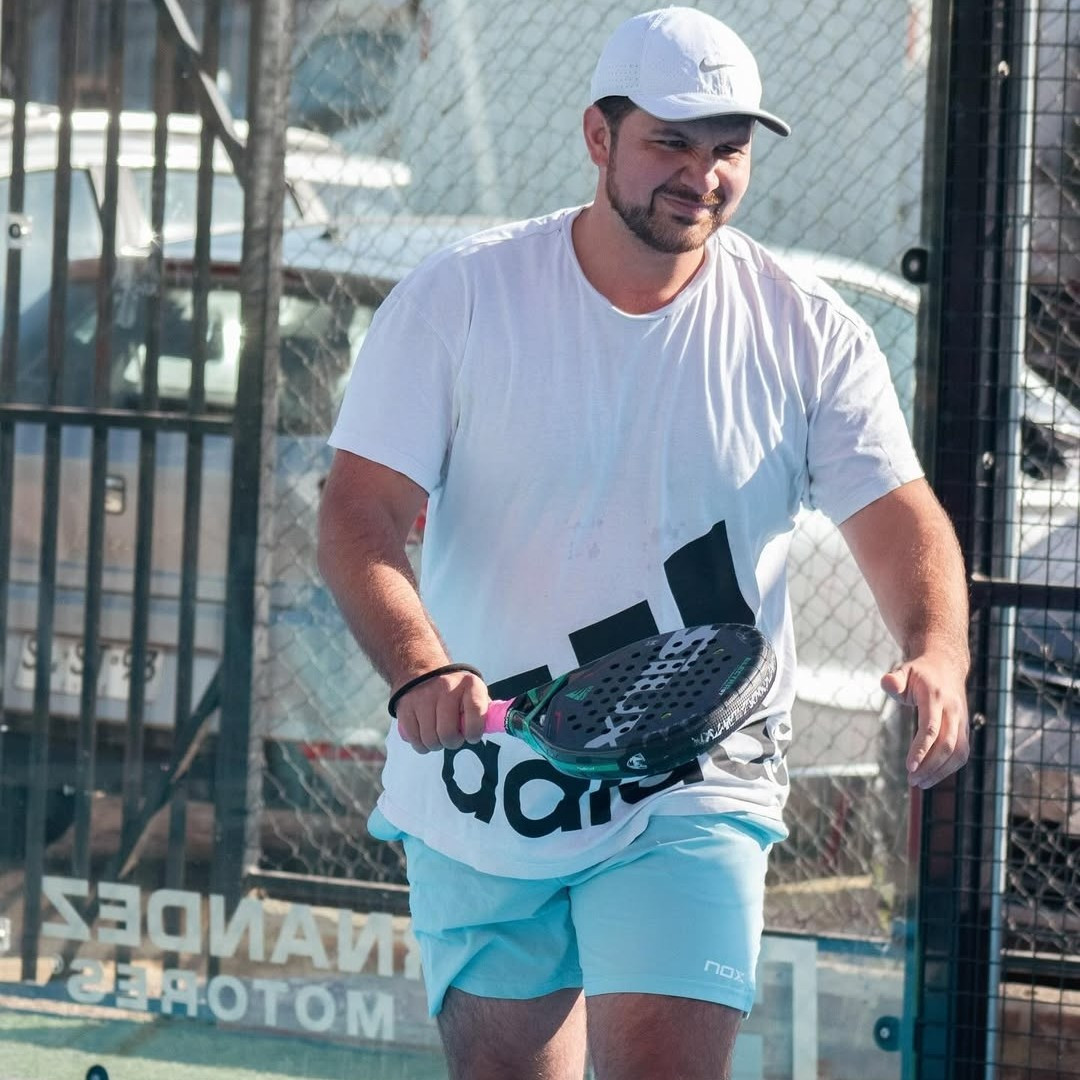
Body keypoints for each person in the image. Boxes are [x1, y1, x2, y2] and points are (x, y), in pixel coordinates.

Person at [318, 7, 971, 1079]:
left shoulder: (809, 328)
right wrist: (422, 668)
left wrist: (937, 648)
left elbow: (901, 515)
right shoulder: (458, 298)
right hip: (484, 785)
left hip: (698, 780)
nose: (702, 175)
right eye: (671, 142)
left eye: (728, 150)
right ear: (598, 136)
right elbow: (358, 514)